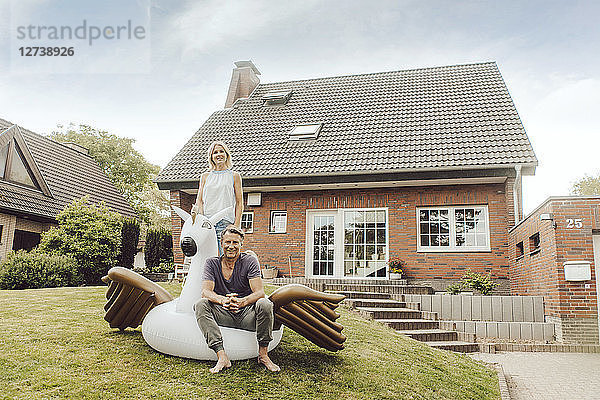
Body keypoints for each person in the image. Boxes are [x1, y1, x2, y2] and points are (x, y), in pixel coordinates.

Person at [194, 225, 280, 373]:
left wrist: (242, 302)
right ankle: (222, 356)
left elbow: (259, 292)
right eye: (228, 242)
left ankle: (263, 355)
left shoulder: (250, 261)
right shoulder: (211, 263)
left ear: (241, 244)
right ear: (221, 243)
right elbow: (205, 292)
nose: (231, 246)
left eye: (235, 243)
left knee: (265, 303)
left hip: (247, 315)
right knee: (201, 304)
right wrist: (223, 300)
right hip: (224, 313)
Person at [191, 141, 243, 255]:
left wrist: (236, 225)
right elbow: (199, 201)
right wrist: (200, 220)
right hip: (207, 223)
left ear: (226, 154)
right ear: (211, 157)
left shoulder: (234, 176)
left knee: (227, 259)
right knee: (208, 258)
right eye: (215, 152)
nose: (219, 154)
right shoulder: (205, 176)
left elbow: (239, 203)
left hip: (226, 223)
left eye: (221, 151)